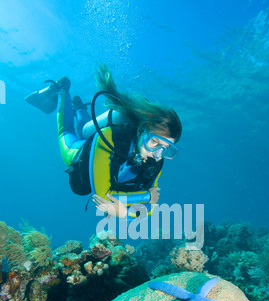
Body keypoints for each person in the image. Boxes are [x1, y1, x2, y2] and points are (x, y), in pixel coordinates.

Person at [25, 65, 182, 220]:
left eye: (166, 149)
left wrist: (125, 211)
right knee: (67, 132)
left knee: (84, 130)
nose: (157, 154)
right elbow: (103, 198)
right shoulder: (109, 136)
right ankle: (62, 90)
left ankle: (79, 108)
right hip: (79, 155)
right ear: (141, 131)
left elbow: (151, 208)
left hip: (102, 158)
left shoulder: (156, 161)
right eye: (154, 141)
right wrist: (147, 196)